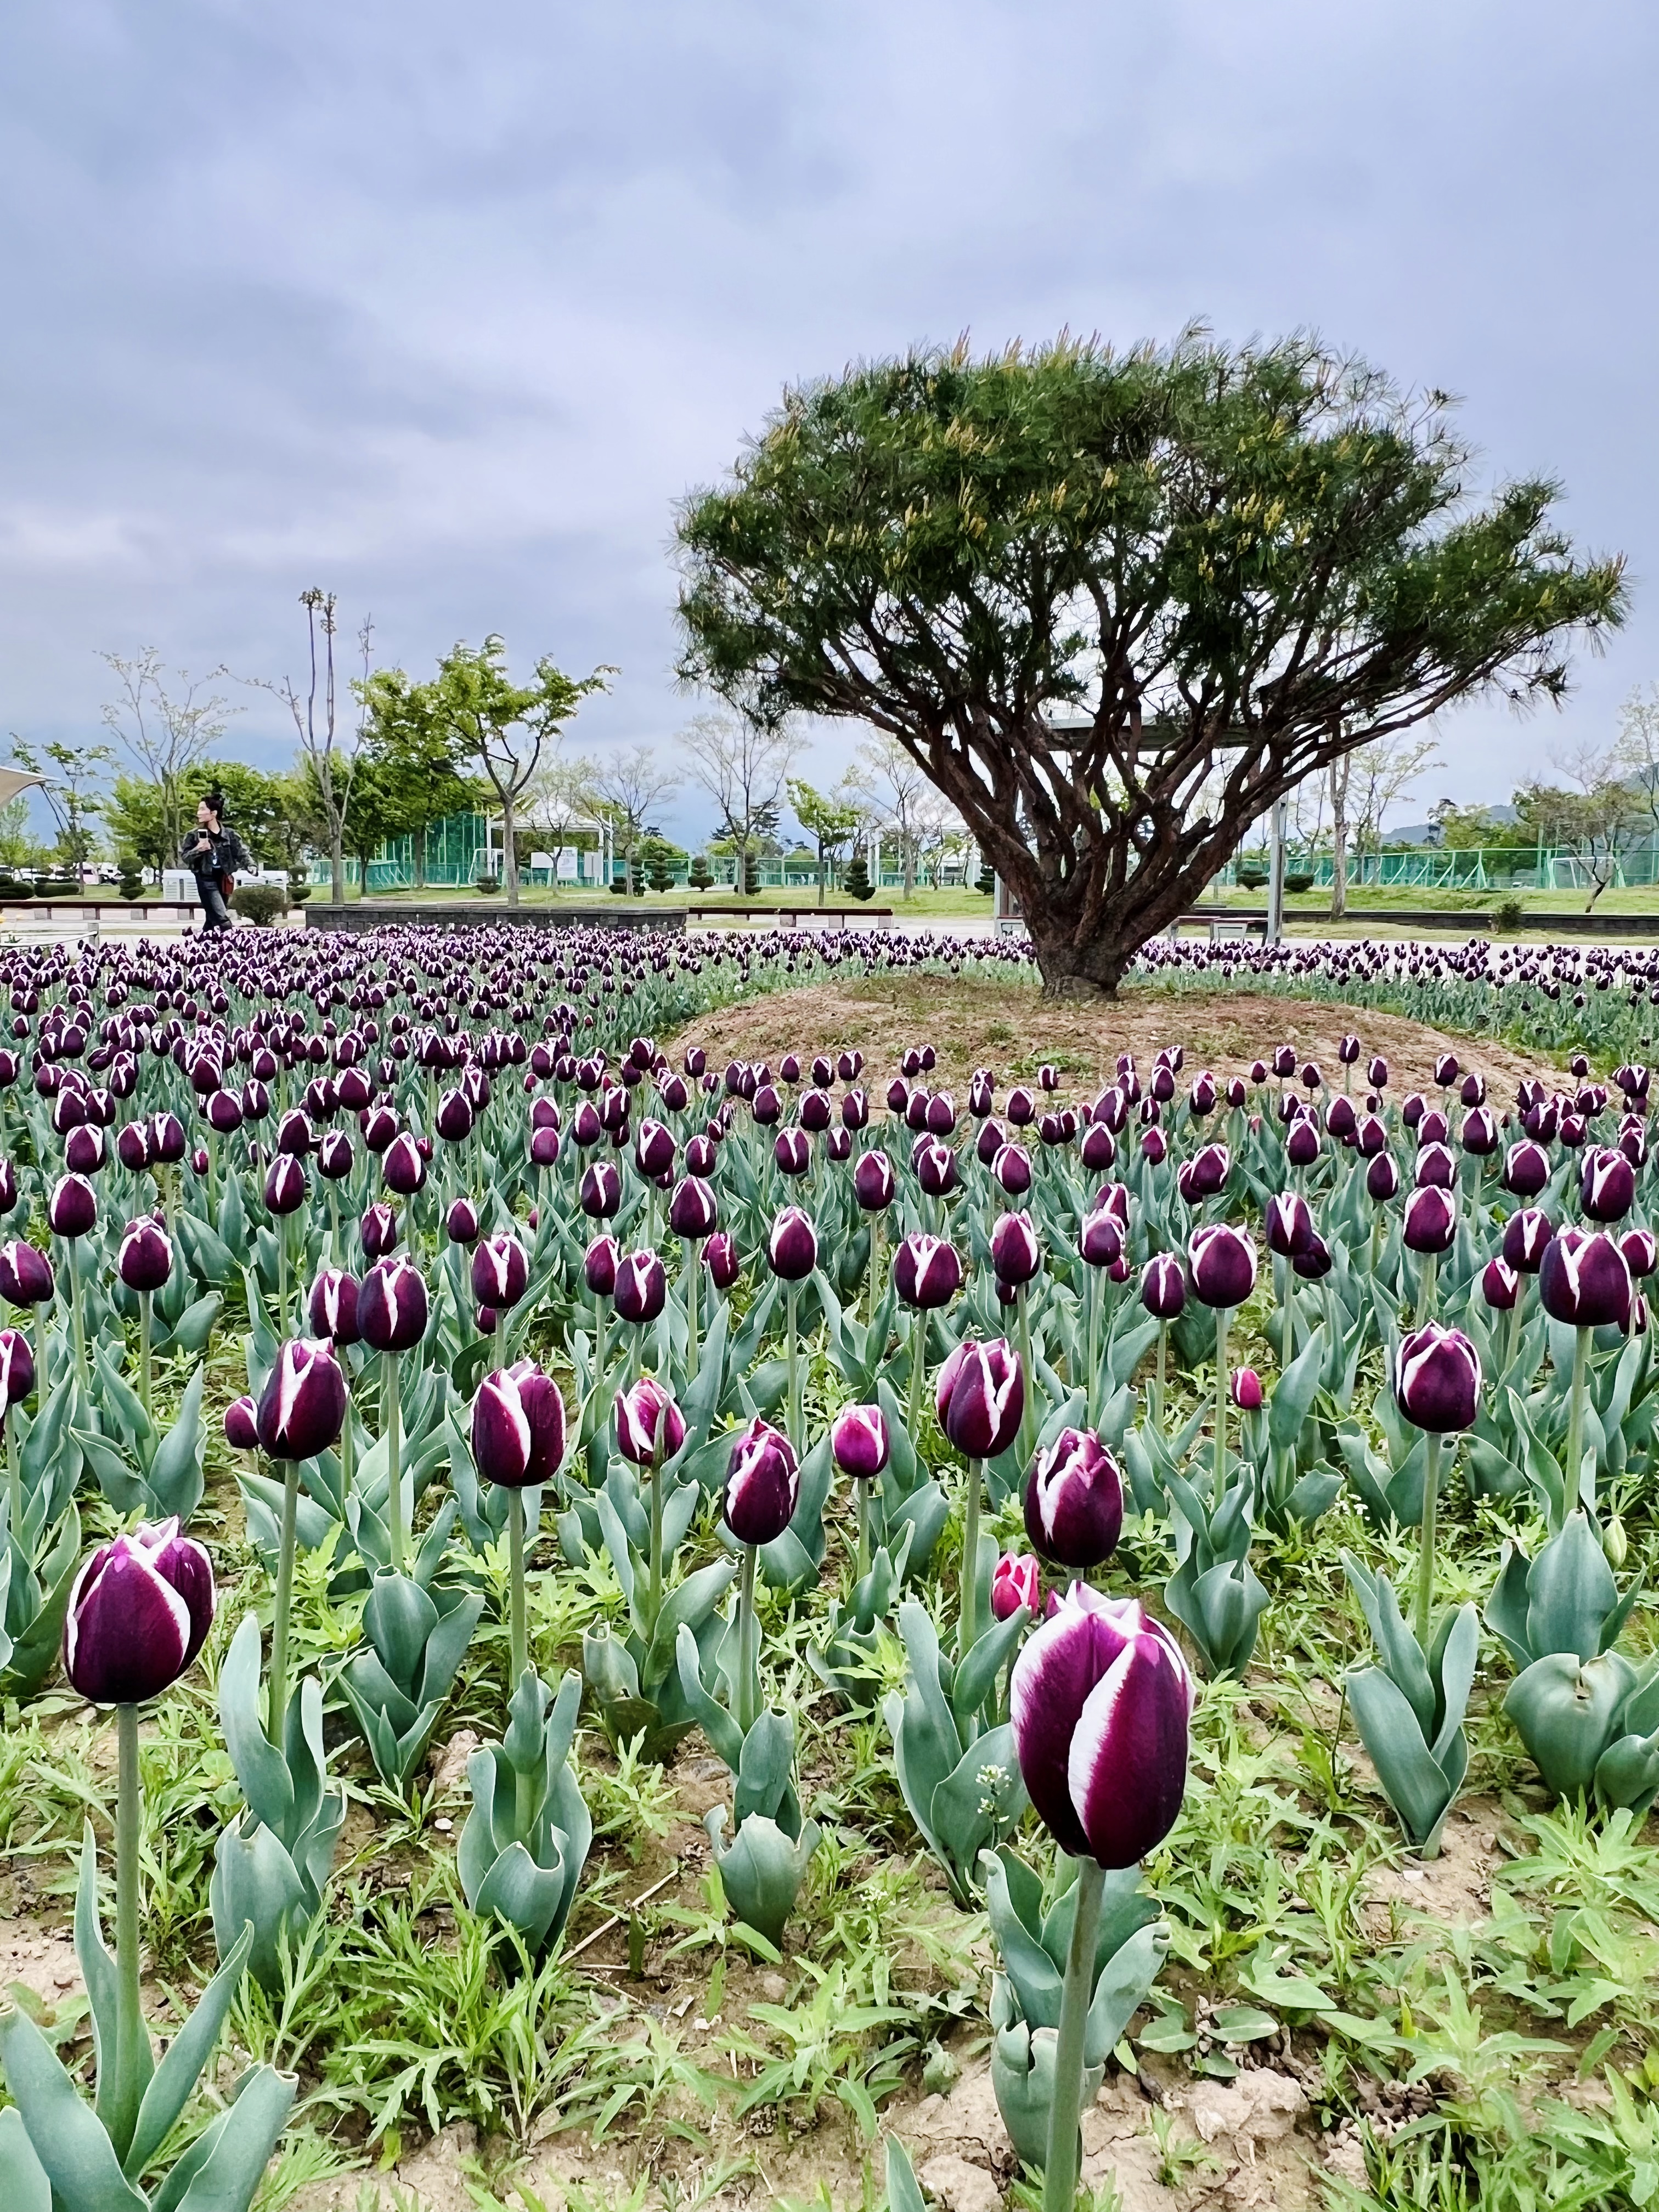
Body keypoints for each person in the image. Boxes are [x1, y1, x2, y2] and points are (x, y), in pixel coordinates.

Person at [179, 793, 252, 932]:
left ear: (213, 813)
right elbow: (185, 857)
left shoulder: (230, 835)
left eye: (202, 809)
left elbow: (241, 853)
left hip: (225, 879)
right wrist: (199, 849)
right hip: (205, 878)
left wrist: (250, 865)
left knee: (212, 918)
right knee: (222, 915)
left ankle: (198, 940)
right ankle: (233, 939)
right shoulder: (193, 835)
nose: (198, 813)